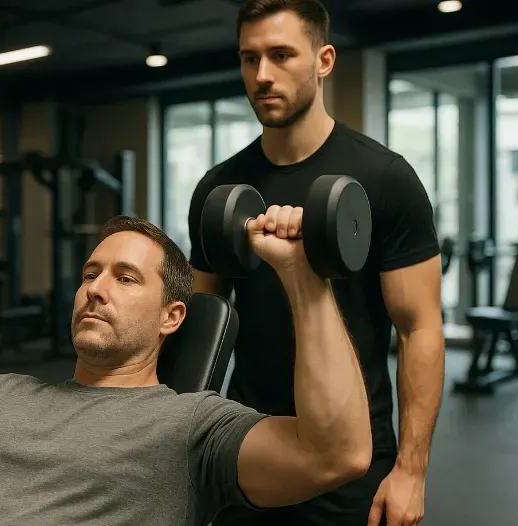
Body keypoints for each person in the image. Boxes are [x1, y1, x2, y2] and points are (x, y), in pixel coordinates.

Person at [0, 199, 373, 525]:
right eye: (90, 274)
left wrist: (303, 275)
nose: (96, 289)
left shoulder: (192, 428)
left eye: (126, 278)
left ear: (171, 317)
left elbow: (336, 454)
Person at [187, 1, 445, 525]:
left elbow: (419, 329)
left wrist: (412, 472)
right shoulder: (218, 188)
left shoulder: (385, 179)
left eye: (281, 55)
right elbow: (199, 322)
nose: (262, 75)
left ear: (324, 60)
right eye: (249, 58)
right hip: (251, 444)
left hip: (353, 456)